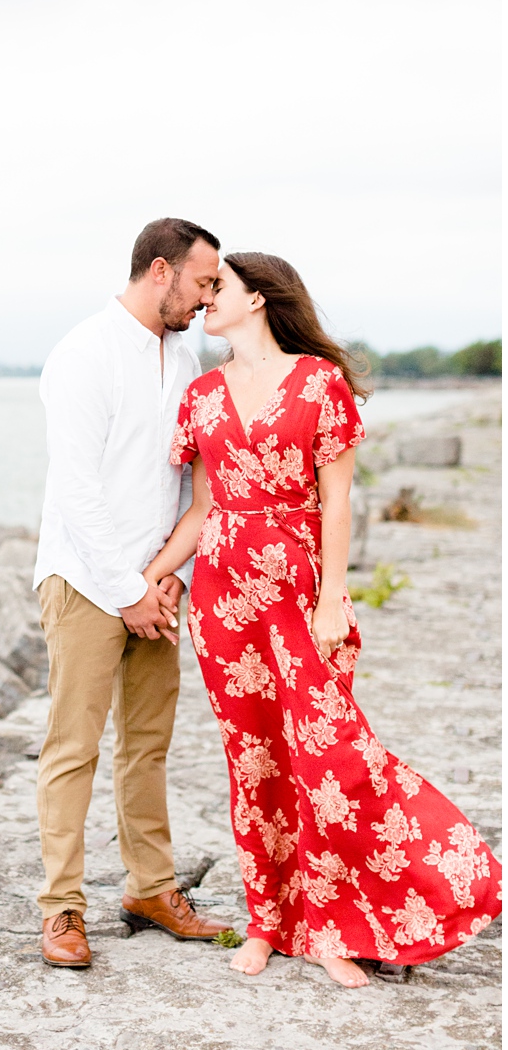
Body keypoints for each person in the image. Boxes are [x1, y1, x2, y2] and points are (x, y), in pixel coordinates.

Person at [143, 252, 501, 986]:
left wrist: (333, 593)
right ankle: (270, 921)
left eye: (221, 287)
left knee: (327, 757)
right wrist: (147, 576)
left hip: (299, 594)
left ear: (261, 299)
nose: (207, 298)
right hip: (223, 598)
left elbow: (337, 499)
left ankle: (338, 923)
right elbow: (204, 509)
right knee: (253, 762)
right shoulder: (203, 395)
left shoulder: (319, 383)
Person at [32, 217, 232, 968]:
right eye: (203, 281)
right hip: (87, 581)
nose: (209, 298)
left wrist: (166, 579)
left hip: (157, 583)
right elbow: (76, 488)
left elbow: (185, 478)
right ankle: (61, 909)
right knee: (72, 747)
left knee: (146, 745)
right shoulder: (84, 352)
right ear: (160, 270)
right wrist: (125, 589)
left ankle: (151, 888)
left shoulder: (184, 354)